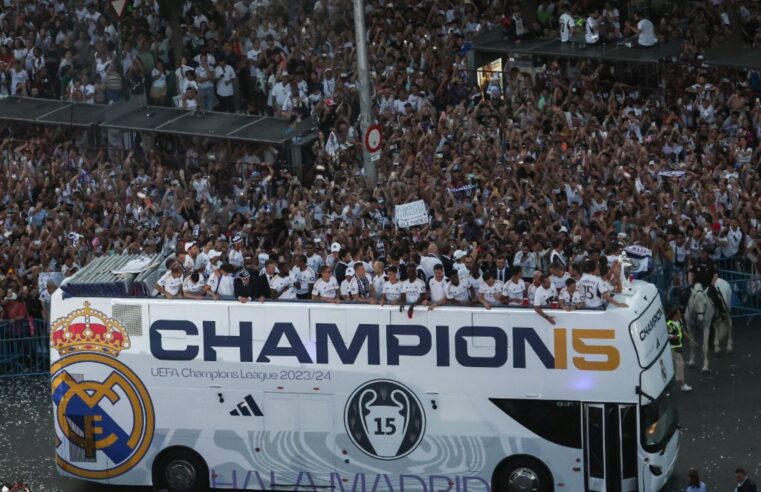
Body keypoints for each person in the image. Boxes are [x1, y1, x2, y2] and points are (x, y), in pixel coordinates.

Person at [667, 307, 693, 392]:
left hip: (678, 346)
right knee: (680, 363)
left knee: (677, 363)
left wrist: (691, 339)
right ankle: (682, 383)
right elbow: (666, 335)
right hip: (672, 347)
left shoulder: (679, 321)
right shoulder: (669, 324)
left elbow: (683, 331)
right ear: (674, 315)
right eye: (678, 314)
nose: (680, 315)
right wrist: (673, 337)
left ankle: (677, 380)